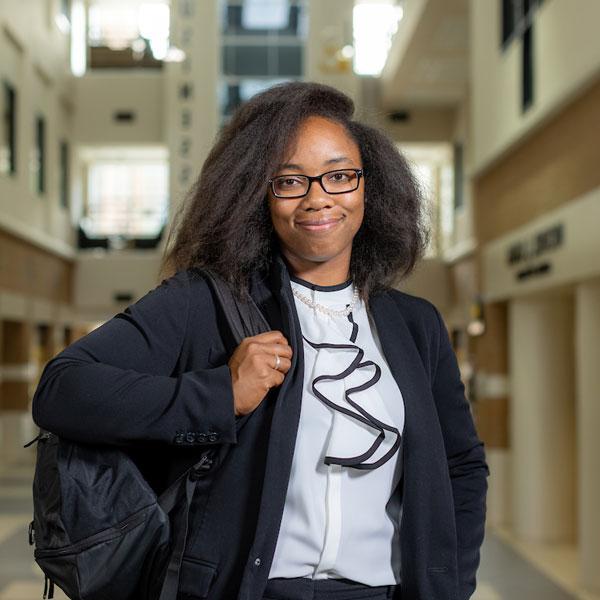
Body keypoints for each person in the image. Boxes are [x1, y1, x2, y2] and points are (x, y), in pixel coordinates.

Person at [32, 81, 489, 600]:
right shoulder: (203, 303)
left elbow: (460, 465)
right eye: (290, 181)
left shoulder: (415, 325)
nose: (319, 198)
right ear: (259, 196)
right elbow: (62, 390)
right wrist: (218, 395)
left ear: (369, 187)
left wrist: (449, 582)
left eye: (339, 176)